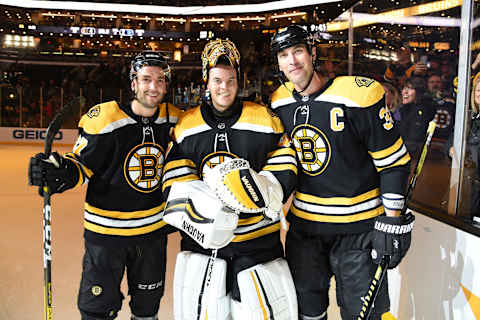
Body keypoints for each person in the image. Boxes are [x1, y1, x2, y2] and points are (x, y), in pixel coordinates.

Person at [269, 25, 414, 319]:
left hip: (358, 232)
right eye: (284, 55)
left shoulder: (358, 96)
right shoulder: (279, 102)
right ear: (279, 63)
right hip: (305, 232)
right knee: (307, 313)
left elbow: (394, 161)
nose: (292, 61)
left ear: (312, 53)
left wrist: (392, 218)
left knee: (363, 314)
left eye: (298, 51)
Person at [28, 51, 182, 320]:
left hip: (152, 235)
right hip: (106, 236)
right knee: (96, 311)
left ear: (167, 85)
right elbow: (81, 166)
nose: (153, 86)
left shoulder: (175, 120)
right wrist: (58, 172)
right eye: (146, 79)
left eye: (160, 80)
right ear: (133, 83)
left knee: (147, 310)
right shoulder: (105, 118)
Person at [161, 39, 298, 319]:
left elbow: (286, 157)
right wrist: (200, 205)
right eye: (218, 80)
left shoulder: (263, 118)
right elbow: (174, 172)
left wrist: (270, 186)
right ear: (206, 82)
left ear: (240, 81)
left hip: (258, 245)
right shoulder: (187, 125)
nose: (224, 87)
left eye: (231, 80)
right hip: (205, 247)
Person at [397, 77, 437, 157]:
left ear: (419, 92)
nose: (405, 92)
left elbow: (414, 142)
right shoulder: (402, 109)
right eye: (404, 88)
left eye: (410, 88)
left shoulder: (424, 110)